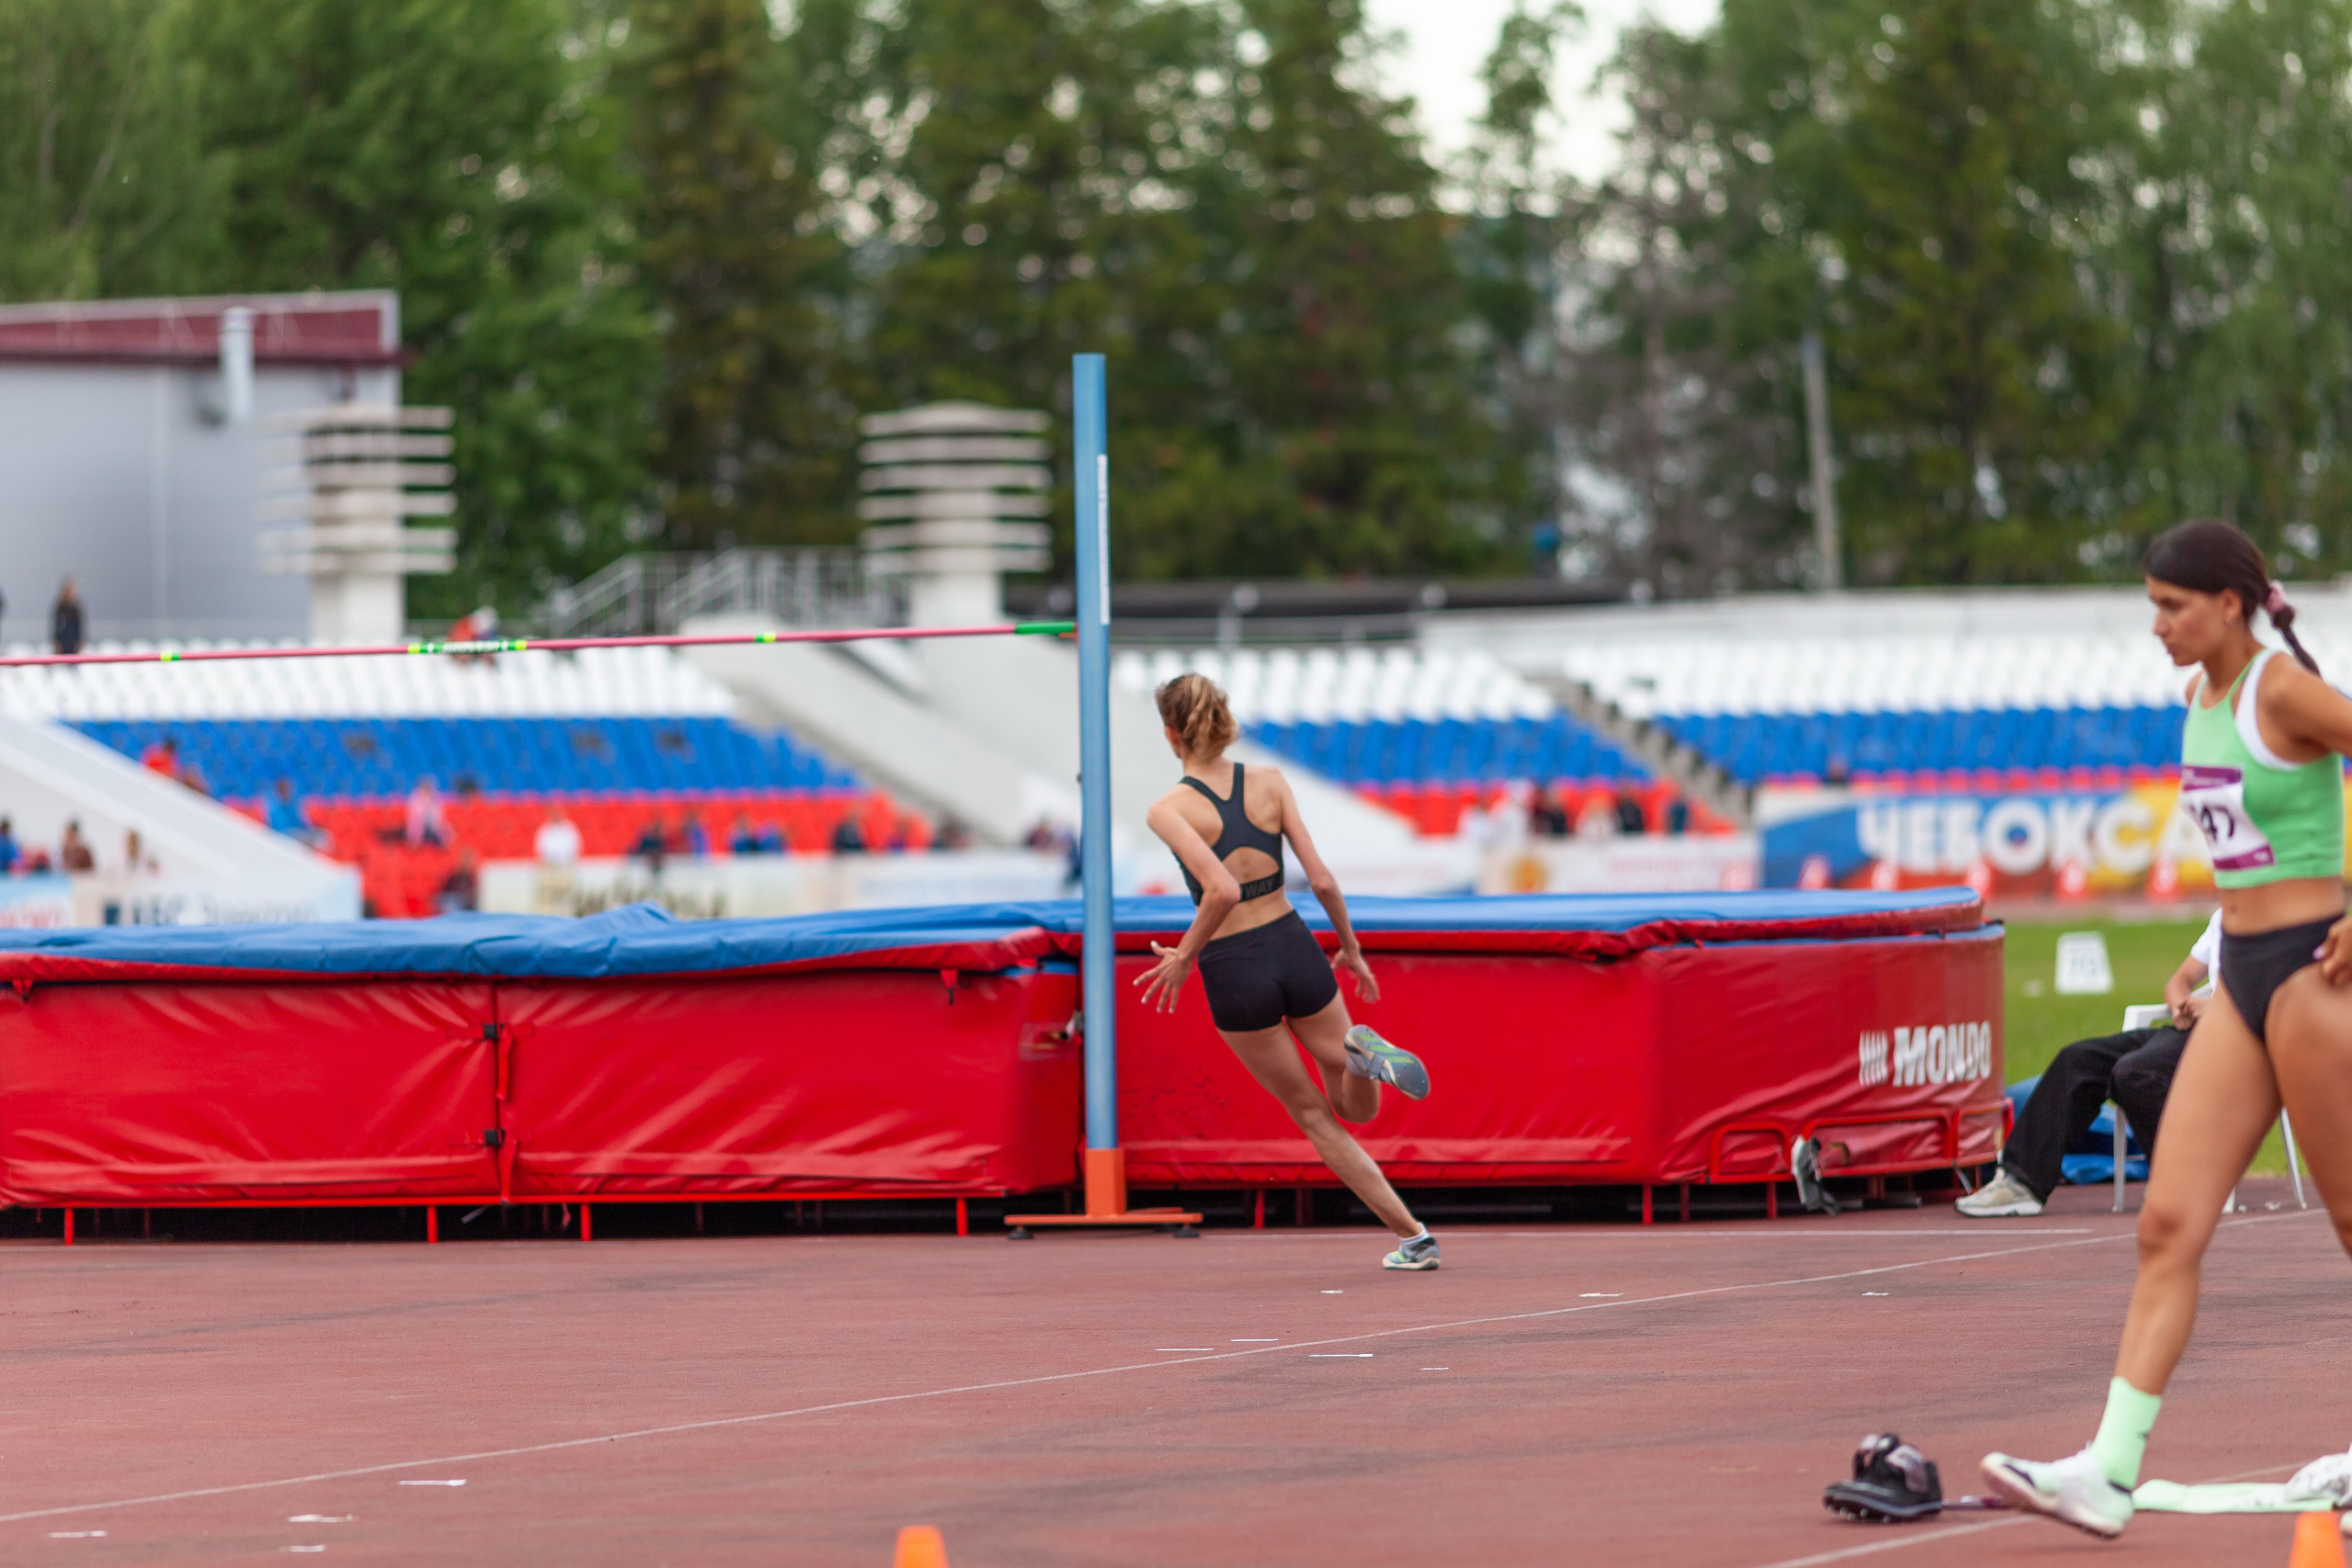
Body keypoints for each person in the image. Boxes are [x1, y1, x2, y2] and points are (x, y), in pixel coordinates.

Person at [1983, 519, 2352, 1537]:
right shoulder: (2198, 701)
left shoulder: (2280, 689)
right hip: (2243, 982)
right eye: (2150, 604)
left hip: (2316, 978)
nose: (2155, 626)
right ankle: (2106, 1469)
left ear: (2228, 604)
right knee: (2167, 1223)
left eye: (2171, 605)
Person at [1136, 672, 1441, 1272]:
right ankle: (1359, 1050)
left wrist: (1184, 955)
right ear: (1223, 720)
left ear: (1172, 735)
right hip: (1293, 942)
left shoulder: (1169, 809)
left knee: (1314, 1115)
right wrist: (1349, 947)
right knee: (1359, 1107)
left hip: (1234, 965)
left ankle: (1415, 1236)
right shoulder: (1270, 783)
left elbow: (1219, 888)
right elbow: (1322, 879)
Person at [1959, 911, 2219, 1218]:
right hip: (2191, 1031)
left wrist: (2215, 1008)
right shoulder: (2225, 916)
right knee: (2078, 1060)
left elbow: (2270, 1000)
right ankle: (2021, 1183)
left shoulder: (2279, 924)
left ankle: (2180, 1182)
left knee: (2135, 1072)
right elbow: (2180, 980)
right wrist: (2181, 1004)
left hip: (2236, 1042)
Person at [404, 776, 449, 849]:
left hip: (433, 828)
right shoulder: (415, 798)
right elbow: (414, 817)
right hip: (418, 830)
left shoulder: (434, 797)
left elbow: (439, 816)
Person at [51, 577, 82, 657]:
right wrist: (56, 642)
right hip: (62, 643)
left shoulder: (76, 608)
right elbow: (56, 626)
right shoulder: (60, 607)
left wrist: (79, 642)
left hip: (73, 643)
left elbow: (79, 626)